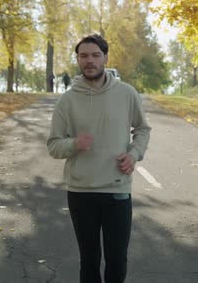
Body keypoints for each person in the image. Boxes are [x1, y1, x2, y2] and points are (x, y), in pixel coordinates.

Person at [47, 34, 151, 283]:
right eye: (84, 56)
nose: (89, 60)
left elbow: (142, 129)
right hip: (81, 193)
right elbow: (53, 145)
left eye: (95, 55)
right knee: (89, 261)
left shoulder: (126, 93)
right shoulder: (67, 100)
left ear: (105, 57)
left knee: (117, 261)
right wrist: (74, 144)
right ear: (78, 60)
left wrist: (134, 154)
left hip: (117, 190)